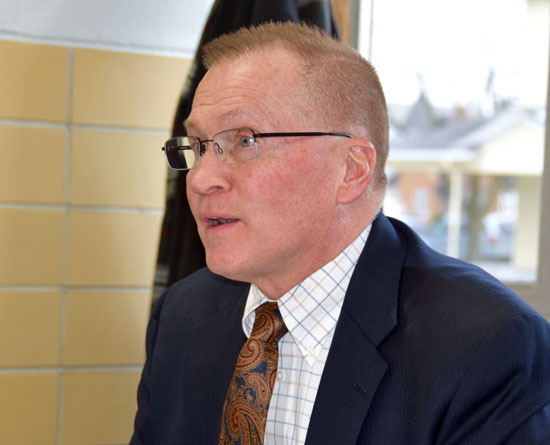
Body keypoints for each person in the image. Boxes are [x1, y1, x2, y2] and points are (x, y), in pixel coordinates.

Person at [131, 22, 550, 445]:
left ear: (351, 170)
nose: (202, 178)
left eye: (244, 140)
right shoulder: (182, 316)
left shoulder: (486, 344)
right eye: (198, 144)